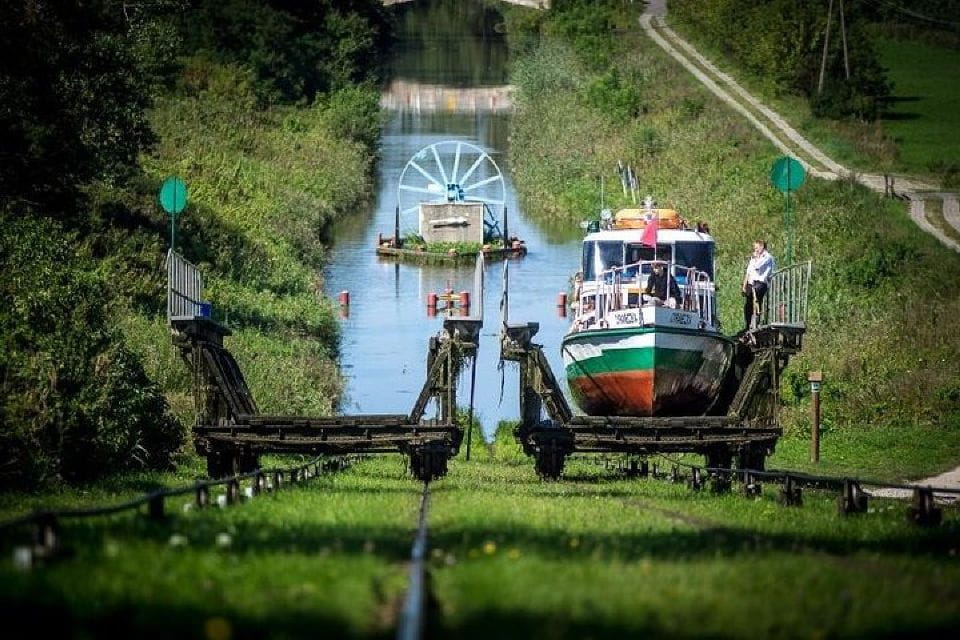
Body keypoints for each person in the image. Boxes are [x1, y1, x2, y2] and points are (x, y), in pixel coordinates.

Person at [742, 240, 775, 330]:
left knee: (756, 297)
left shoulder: (767, 257)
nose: (755, 250)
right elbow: (748, 271)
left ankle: (757, 321)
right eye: (754, 248)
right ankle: (748, 324)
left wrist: (756, 257)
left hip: (761, 283)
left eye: (756, 248)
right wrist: (744, 285)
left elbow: (757, 266)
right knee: (748, 304)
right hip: (751, 282)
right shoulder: (754, 257)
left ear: (762, 247)